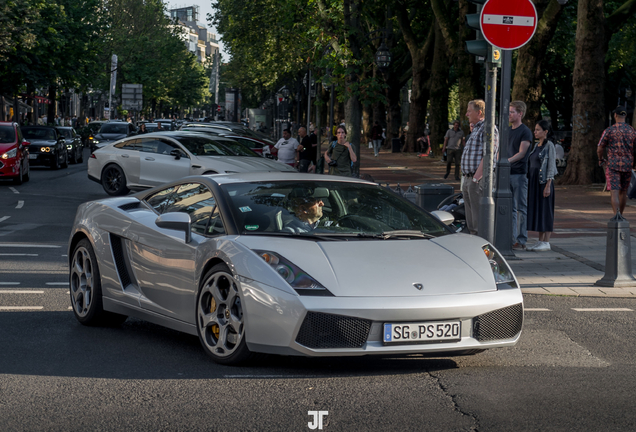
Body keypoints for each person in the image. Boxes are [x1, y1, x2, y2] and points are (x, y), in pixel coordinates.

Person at [461, 99, 498, 236]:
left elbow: (489, 155)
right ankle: (473, 240)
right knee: (471, 217)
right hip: (468, 178)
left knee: (478, 217)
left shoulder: (488, 128)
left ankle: (480, 243)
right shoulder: (476, 129)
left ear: (479, 112)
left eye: (469, 111)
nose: (466, 114)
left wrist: (476, 178)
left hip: (477, 178)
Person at [597, 105, 636, 215]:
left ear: (615, 115)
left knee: (614, 191)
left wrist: (600, 159)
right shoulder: (632, 131)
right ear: (625, 115)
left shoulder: (609, 130)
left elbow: (600, 147)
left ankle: (616, 216)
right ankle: (621, 215)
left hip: (613, 165)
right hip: (628, 165)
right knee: (623, 191)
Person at [527, 120, 558, 252]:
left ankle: (546, 241)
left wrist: (548, 184)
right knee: (539, 211)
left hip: (543, 182)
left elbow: (551, 165)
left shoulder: (549, 145)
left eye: (538, 130)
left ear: (545, 132)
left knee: (546, 210)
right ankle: (540, 240)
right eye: (535, 129)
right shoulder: (536, 145)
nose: (535, 132)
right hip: (534, 182)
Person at [507, 101, 534, 250]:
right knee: (510, 207)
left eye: (512, 112)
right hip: (507, 173)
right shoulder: (508, 130)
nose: (509, 114)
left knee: (520, 207)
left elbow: (522, 152)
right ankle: (511, 239)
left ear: (520, 114)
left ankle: (521, 239)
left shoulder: (525, 131)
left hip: (519, 173)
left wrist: (506, 161)